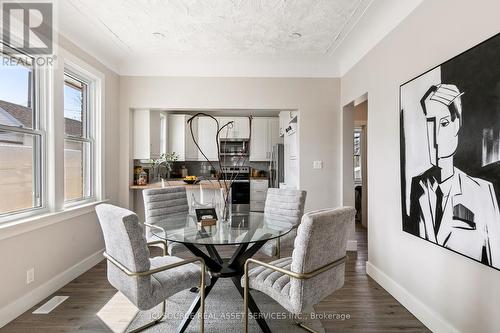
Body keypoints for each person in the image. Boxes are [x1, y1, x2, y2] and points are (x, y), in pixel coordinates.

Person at [406, 84, 500, 267]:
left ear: (456, 124)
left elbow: (495, 256)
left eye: (443, 123)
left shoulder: (481, 191)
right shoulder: (418, 185)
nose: (434, 137)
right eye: (429, 123)